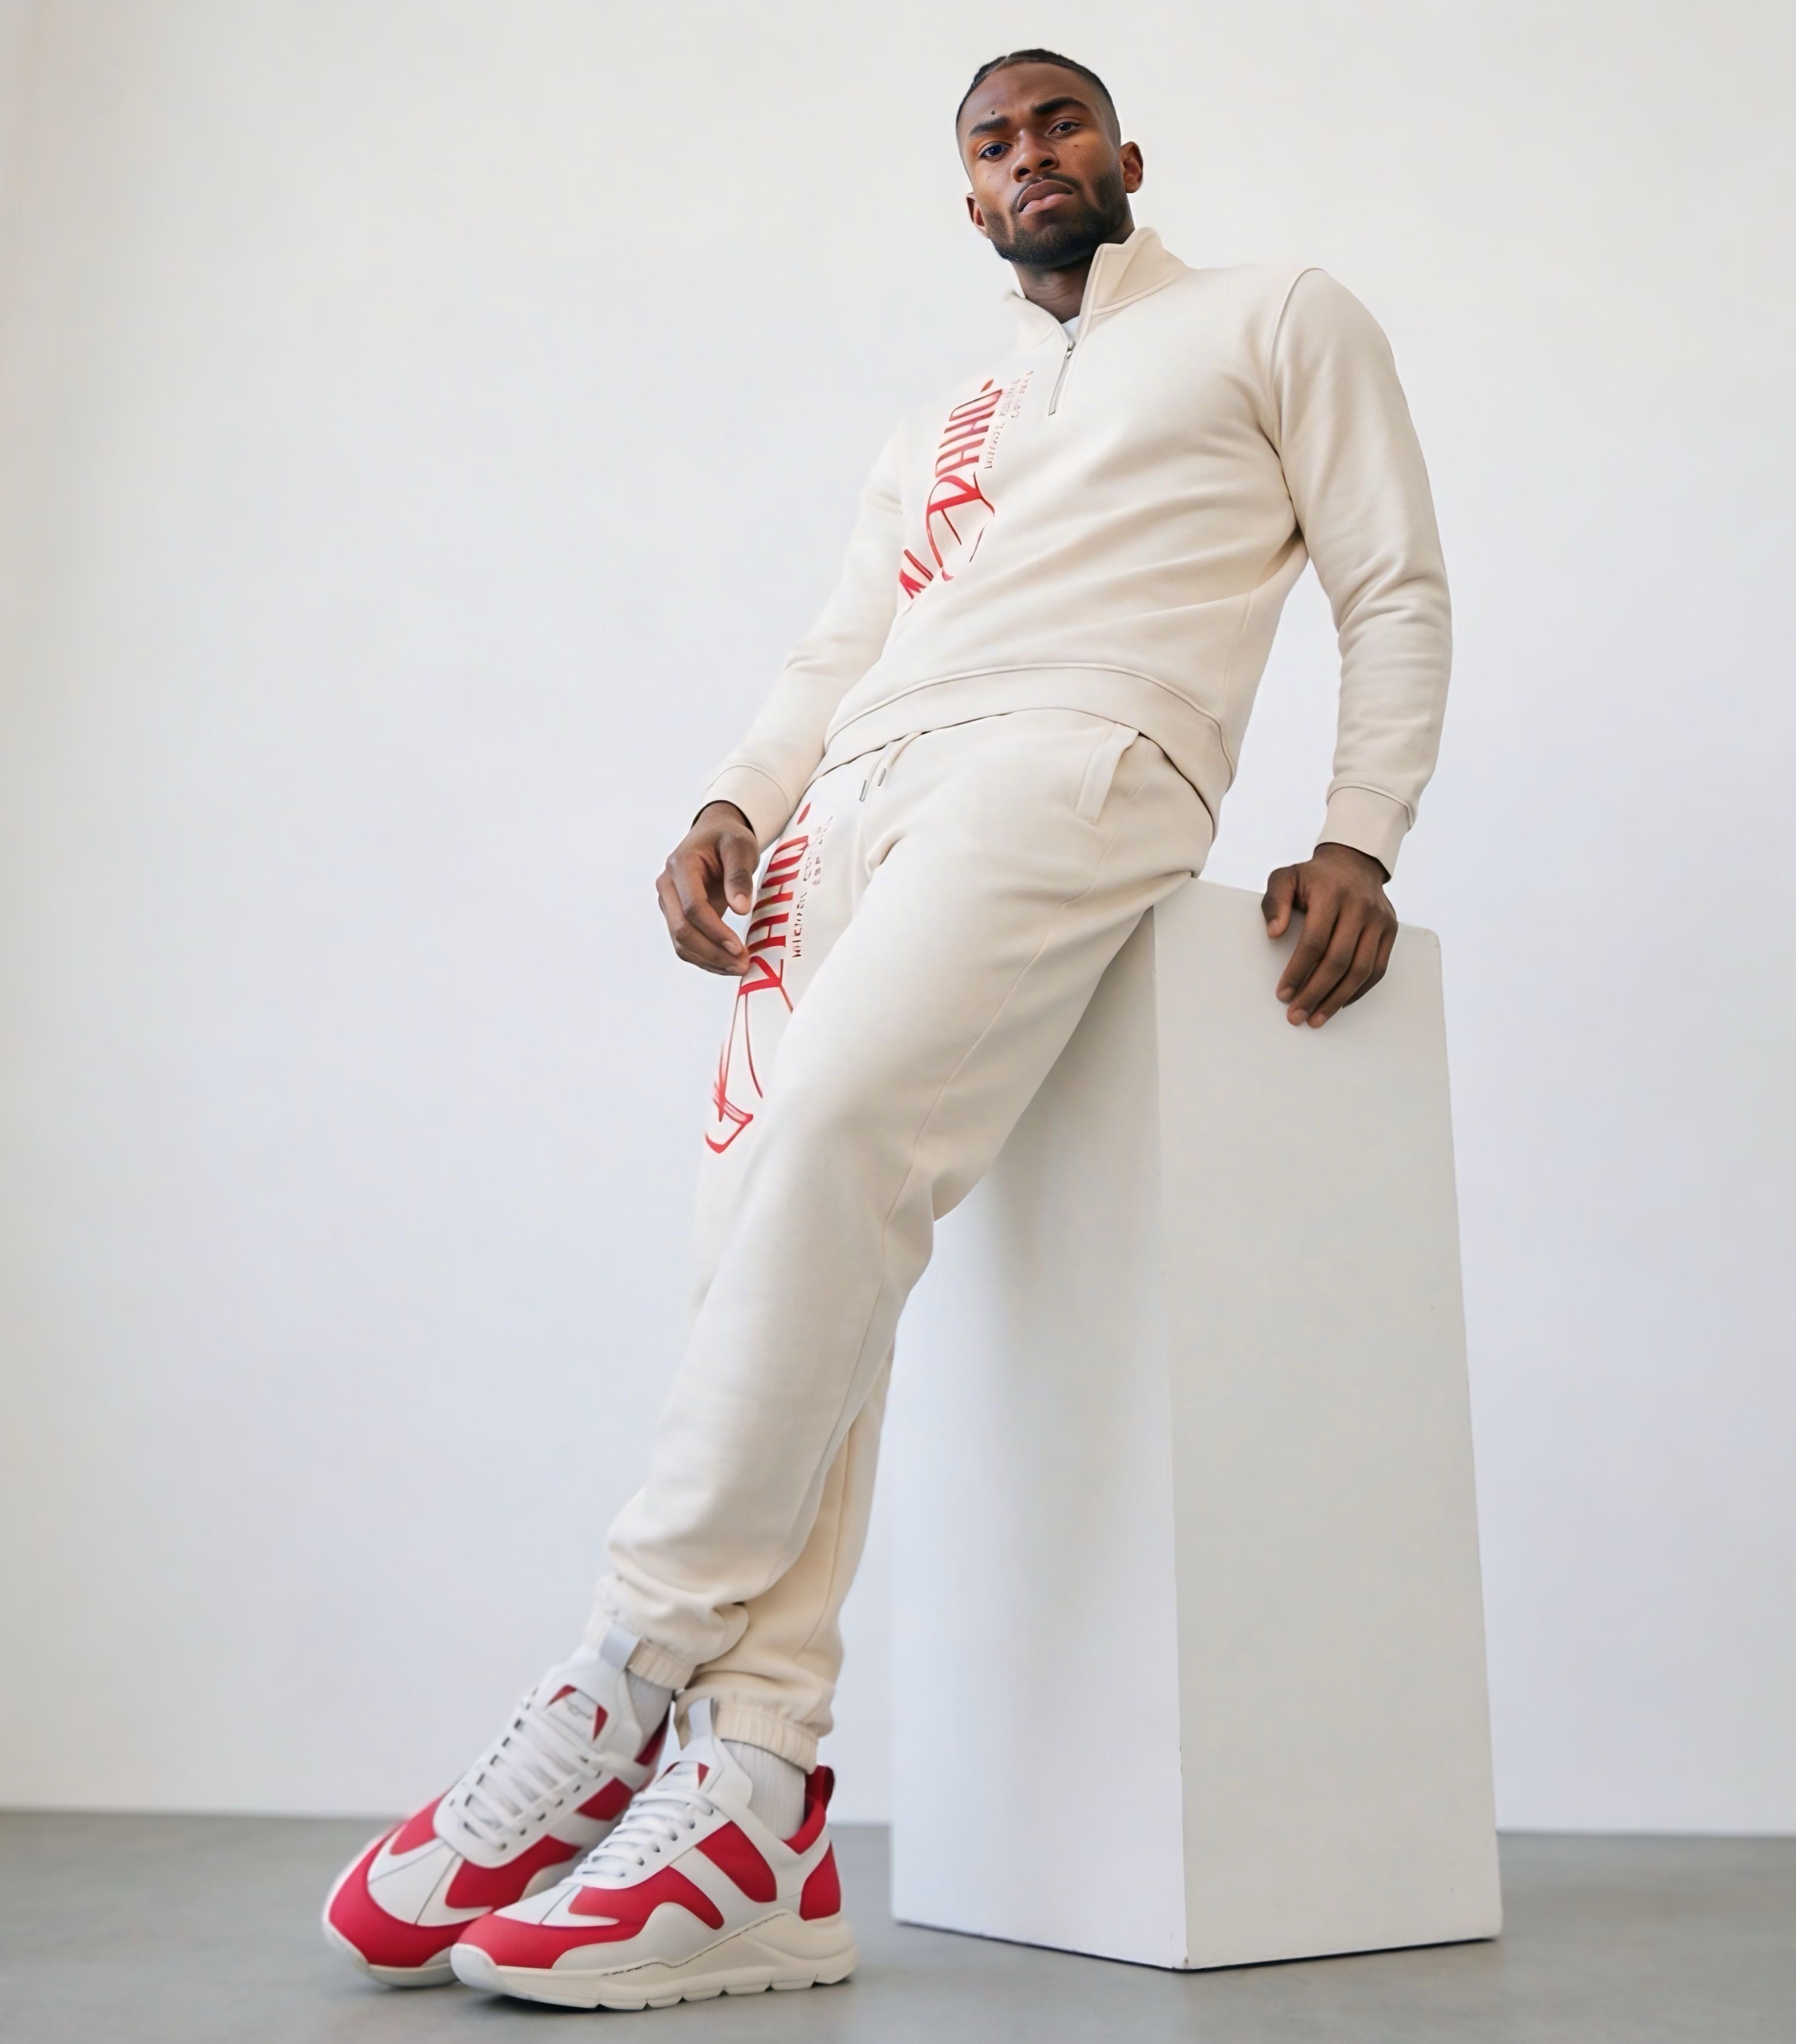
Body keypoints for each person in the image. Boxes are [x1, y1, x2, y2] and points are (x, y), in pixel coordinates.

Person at [322, 46, 1452, 2012]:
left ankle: (619, 1671)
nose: (1033, 156)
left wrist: (1360, 829)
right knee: (766, 1237)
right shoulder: (943, 424)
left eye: (1061, 124)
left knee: (841, 1138)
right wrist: (734, 801)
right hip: (844, 808)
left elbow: (1394, 579)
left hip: (1081, 752)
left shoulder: (1277, 314)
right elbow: (841, 642)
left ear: (1125, 151)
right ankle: (755, 1790)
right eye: (996, 143)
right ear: (970, 198)